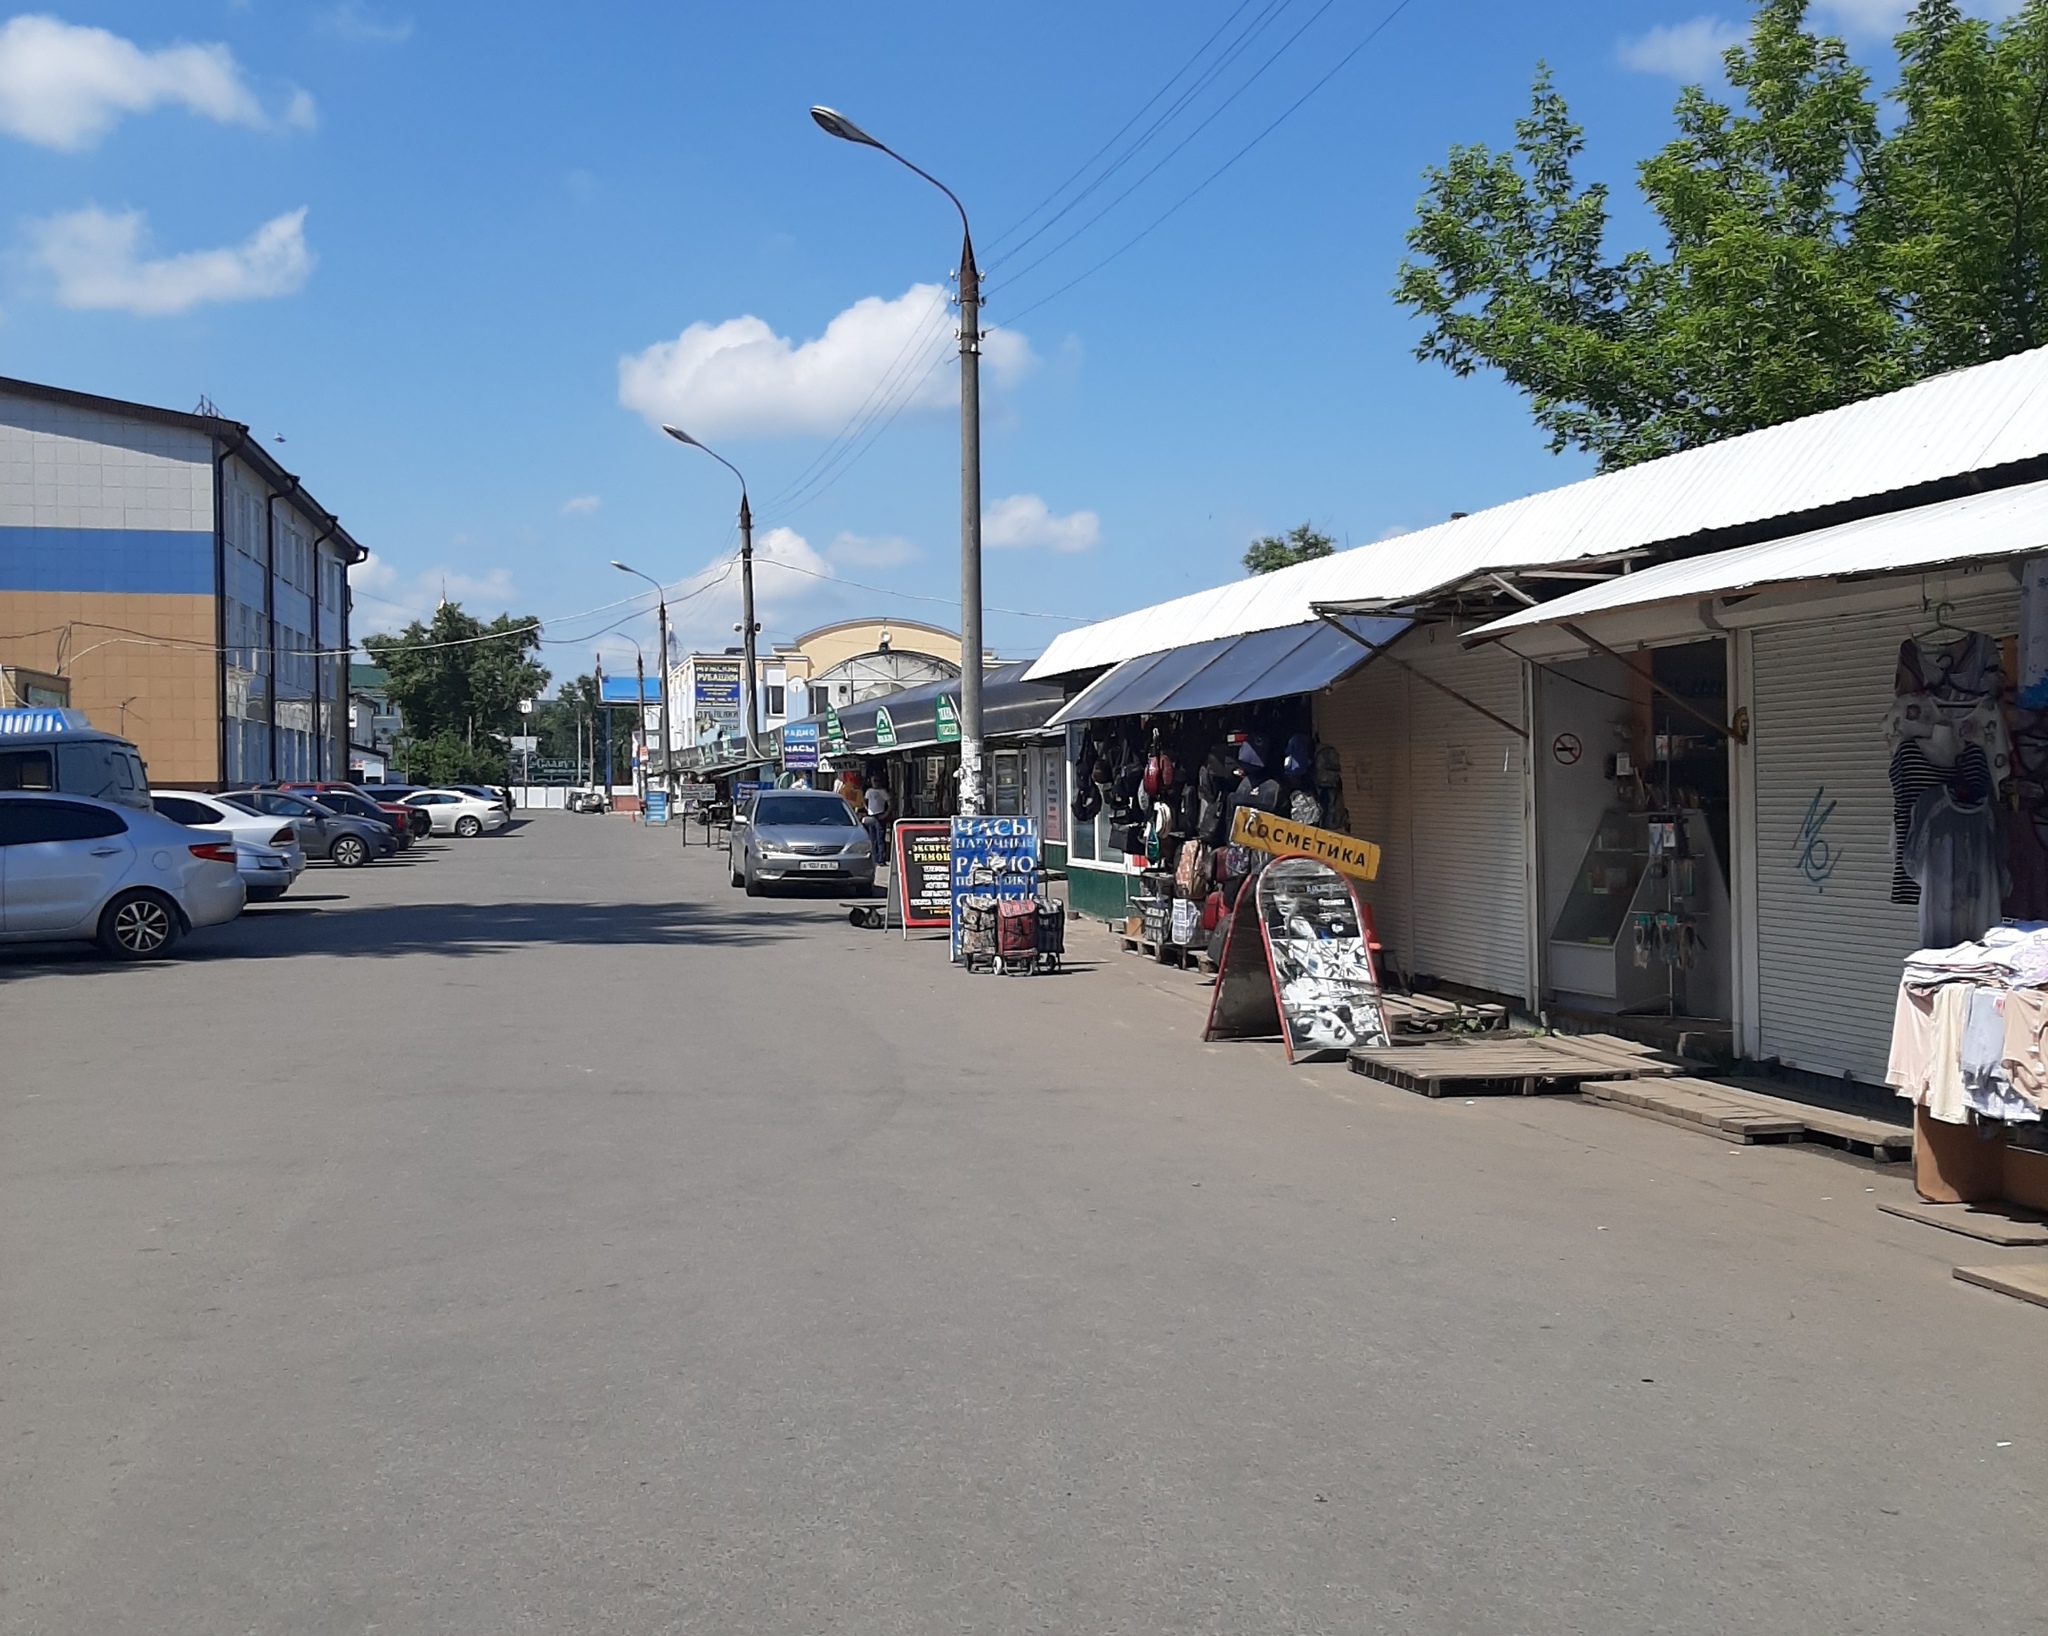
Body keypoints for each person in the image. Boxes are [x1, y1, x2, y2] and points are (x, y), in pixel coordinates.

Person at [862, 777, 892, 861]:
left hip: (880, 815)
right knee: (873, 838)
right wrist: (867, 808)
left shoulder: (882, 792)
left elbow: (890, 803)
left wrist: (886, 814)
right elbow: (864, 800)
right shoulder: (869, 791)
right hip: (871, 815)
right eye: (873, 781)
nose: (875, 783)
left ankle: (881, 858)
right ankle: (874, 858)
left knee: (880, 838)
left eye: (876, 781)